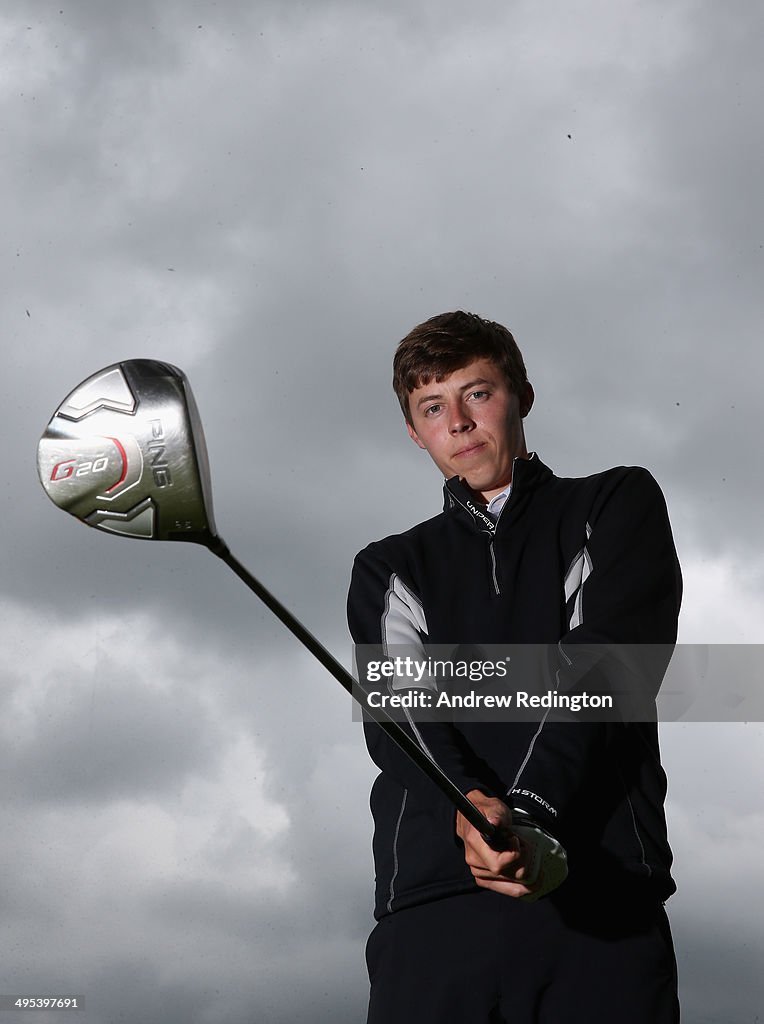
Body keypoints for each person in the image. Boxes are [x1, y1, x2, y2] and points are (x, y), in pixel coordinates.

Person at [347, 311, 682, 1023]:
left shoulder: (613, 502)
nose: (459, 422)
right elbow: (399, 714)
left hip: (604, 903)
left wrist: (528, 814)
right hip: (436, 913)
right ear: (415, 432)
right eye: (433, 407)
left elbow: (610, 666)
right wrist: (474, 805)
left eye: (478, 393)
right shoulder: (389, 565)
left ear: (521, 395)